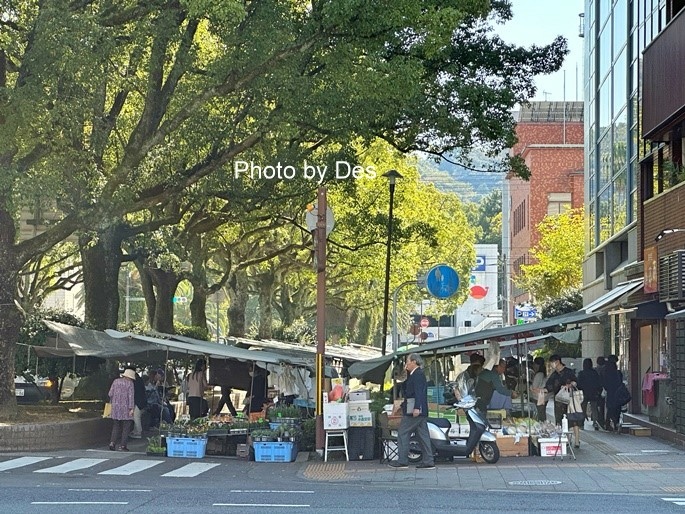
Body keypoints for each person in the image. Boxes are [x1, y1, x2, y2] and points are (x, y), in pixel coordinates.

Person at [390, 353, 435, 470]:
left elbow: (419, 392)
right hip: (418, 410)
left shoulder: (418, 374)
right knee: (423, 435)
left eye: (407, 362)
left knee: (403, 432)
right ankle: (428, 460)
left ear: (414, 361)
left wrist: (417, 407)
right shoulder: (413, 374)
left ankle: (402, 460)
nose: (406, 364)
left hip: (414, 410)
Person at [543, 355, 577, 425]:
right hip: (558, 401)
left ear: (558, 362)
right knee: (559, 421)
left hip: (569, 400)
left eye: (552, 362)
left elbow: (575, 382)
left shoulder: (569, 372)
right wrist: (541, 390)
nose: (552, 365)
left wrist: (570, 385)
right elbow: (549, 386)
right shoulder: (554, 374)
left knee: (570, 421)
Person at [108, 368, 136, 451]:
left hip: (115, 408)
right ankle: (122, 445)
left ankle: (112, 443)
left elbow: (110, 393)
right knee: (126, 427)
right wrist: (131, 408)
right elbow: (131, 397)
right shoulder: (130, 384)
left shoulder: (116, 381)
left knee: (116, 426)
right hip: (126, 408)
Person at [577, 357, 602, 430]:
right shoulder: (594, 373)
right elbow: (598, 382)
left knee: (582, 408)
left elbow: (578, 384)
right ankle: (595, 422)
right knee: (594, 408)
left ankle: (581, 424)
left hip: (584, 393)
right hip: (593, 393)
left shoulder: (581, 373)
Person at [602, 356, 624, 432]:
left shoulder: (606, 373)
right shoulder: (618, 373)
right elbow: (620, 382)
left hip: (610, 393)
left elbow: (604, 383)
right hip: (618, 393)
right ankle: (616, 423)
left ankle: (608, 424)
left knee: (610, 409)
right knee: (617, 409)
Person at [128, 367, 146, 439]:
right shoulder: (139, 380)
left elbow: (135, 393)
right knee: (137, 416)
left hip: (139, 402)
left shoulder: (135, 381)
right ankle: (135, 431)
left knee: (136, 417)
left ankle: (138, 432)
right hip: (142, 401)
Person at [530, 357, 547, 422]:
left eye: (534, 364)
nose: (533, 366)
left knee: (539, 415)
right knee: (542, 415)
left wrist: (530, 386)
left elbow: (534, 386)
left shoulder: (539, 374)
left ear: (537, 365)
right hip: (543, 397)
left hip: (538, 397)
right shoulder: (543, 373)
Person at [595, 356, 607, 429]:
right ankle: (602, 420)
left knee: (598, 405)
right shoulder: (605, 369)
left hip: (596, 390)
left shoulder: (595, 370)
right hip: (604, 389)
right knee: (602, 405)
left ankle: (598, 419)